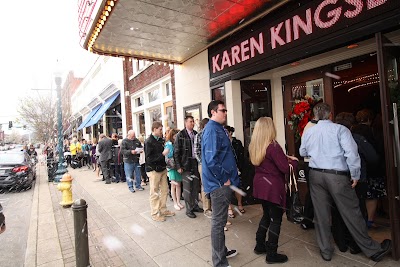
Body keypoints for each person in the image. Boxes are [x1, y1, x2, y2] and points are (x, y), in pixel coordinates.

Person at [299, 103, 391, 262]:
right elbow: (351, 154)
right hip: (337, 175)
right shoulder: (340, 130)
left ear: (315, 115)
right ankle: (372, 250)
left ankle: (326, 251)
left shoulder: (309, 131)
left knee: (321, 214)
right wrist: (355, 174)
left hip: (316, 174)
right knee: (352, 212)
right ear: (330, 115)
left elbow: (303, 152)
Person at [250, 117, 297, 264]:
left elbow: (267, 162)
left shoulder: (255, 145)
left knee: (266, 215)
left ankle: (259, 244)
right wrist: (293, 162)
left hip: (261, 184)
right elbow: (284, 168)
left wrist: (284, 158)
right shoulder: (273, 146)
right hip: (272, 186)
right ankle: (271, 253)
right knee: (276, 219)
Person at [202, 100, 239, 267]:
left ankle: (221, 251)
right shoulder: (211, 130)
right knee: (218, 223)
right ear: (213, 112)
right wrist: (224, 178)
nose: (225, 113)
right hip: (218, 185)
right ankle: (219, 262)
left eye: (225, 110)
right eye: (222, 110)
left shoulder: (217, 129)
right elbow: (211, 160)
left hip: (220, 183)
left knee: (220, 221)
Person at [352, 109, 386, 229]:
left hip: (357, 170)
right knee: (372, 195)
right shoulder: (373, 132)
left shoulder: (351, 131)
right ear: (369, 119)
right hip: (371, 169)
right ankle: (370, 220)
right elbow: (375, 155)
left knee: (361, 196)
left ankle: (361, 219)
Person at [145, 121, 175, 222]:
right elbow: (149, 159)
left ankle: (163, 209)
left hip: (162, 168)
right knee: (154, 193)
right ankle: (155, 213)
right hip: (154, 170)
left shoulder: (160, 140)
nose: (162, 131)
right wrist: (162, 154)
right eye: (160, 129)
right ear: (154, 129)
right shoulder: (148, 141)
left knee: (165, 190)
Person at [174, 116, 203, 218]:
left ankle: (195, 205)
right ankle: (189, 209)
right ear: (186, 123)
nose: (192, 123)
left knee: (195, 186)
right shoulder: (180, 135)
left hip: (195, 164)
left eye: (193, 122)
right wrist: (178, 166)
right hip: (185, 165)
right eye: (190, 122)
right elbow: (176, 151)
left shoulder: (196, 134)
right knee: (187, 189)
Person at [194, 118, 212, 218]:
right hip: (203, 164)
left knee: (213, 185)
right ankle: (207, 208)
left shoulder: (213, 134)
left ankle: (213, 206)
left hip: (212, 164)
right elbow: (196, 152)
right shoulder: (199, 135)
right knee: (205, 186)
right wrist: (203, 163)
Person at [163, 129, 183, 210]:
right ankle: (175, 202)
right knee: (174, 185)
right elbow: (168, 154)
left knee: (178, 185)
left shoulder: (176, 143)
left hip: (177, 166)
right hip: (171, 167)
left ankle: (178, 201)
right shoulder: (169, 144)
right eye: (175, 136)